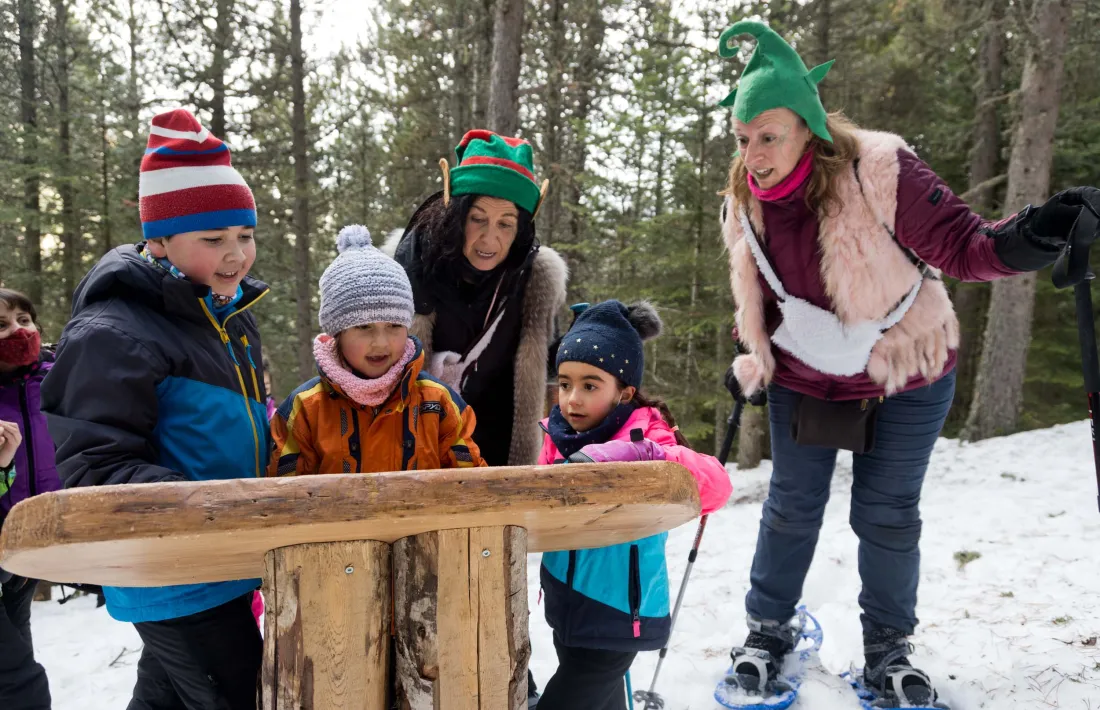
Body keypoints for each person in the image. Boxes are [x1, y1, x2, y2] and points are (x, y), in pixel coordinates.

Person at [713, 21, 1093, 708]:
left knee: (887, 514)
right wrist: (755, 352)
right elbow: (764, 287)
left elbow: (962, 244)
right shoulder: (744, 199)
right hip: (808, 376)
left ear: (808, 127)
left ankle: (889, 647)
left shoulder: (880, 169)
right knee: (791, 508)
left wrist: (1040, 231)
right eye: (743, 139)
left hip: (903, 366)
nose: (754, 155)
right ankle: (766, 634)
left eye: (768, 136)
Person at [41, 108, 269, 710]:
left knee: (166, 699)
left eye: (245, 235)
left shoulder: (226, 321)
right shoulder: (112, 333)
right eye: (213, 239)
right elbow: (94, 465)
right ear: (161, 240)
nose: (236, 256)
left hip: (219, 561)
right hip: (173, 568)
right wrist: (209, 506)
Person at [536, 300, 733, 710]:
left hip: (618, 609)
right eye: (565, 383)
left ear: (624, 391)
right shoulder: (559, 432)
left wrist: (644, 455)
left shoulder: (646, 435)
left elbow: (716, 485)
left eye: (590, 385)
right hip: (565, 600)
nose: (572, 399)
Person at [389, 129, 568, 468]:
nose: (490, 238)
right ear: (457, 217)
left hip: (496, 456)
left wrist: (603, 330)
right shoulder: (410, 265)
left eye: (506, 224)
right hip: (419, 455)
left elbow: (552, 358)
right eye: (478, 219)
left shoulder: (532, 279)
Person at [269, 224, 487, 475]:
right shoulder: (305, 410)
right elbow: (286, 497)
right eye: (364, 327)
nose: (381, 343)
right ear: (337, 333)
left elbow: (470, 485)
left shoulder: (438, 403)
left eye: (394, 325)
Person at [0, 288, 57, 710]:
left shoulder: (58, 380)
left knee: (19, 649)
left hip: (34, 548)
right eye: (2, 326)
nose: (19, 331)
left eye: (24, 319)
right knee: (19, 681)